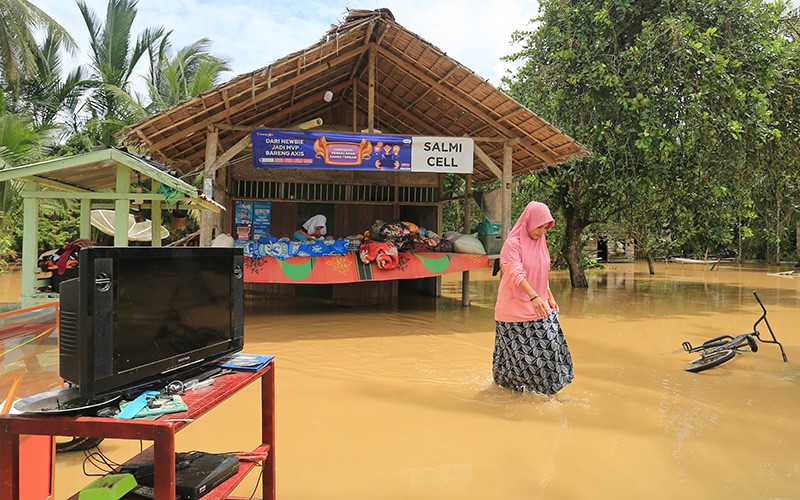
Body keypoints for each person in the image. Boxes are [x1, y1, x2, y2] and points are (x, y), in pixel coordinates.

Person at [493, 201, 573, 399]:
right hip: (513, 308)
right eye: (540, 226)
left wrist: (549, 296)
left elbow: (541, 273)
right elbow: (516, 273)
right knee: (509, 354)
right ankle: (500, 390)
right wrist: (535, 296)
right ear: (529, 221)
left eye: (546, 227)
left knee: (552, 346)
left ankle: (549, 394)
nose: (542, 231)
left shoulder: (540, 243)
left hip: (538, 304)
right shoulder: (513, 244)